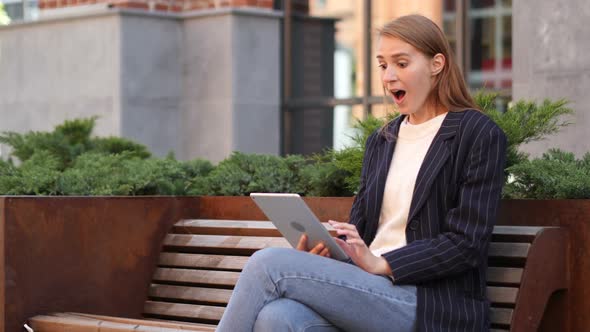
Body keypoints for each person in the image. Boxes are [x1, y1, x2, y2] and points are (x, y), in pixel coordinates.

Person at [216, 14, 507, 332]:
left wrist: (384, 263)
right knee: (279, 317)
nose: (389, 76)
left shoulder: (477, 133)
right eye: (383, 65)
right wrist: (332, 252)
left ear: (436, 64)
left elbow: (466, 243)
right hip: (369, 292)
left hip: (431, 304)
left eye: (401, 63)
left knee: (267, 264)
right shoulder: (382, 141)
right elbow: (362, 229)